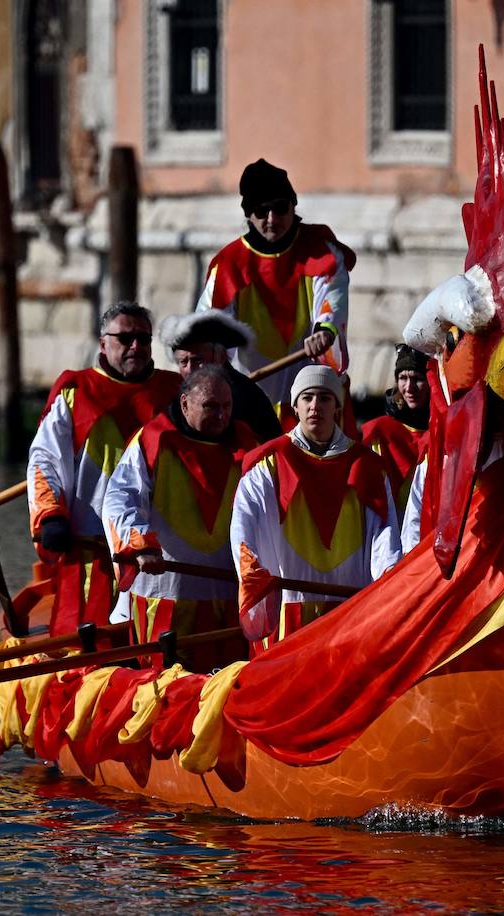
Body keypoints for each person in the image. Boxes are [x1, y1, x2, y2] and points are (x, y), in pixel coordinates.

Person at [27, 302, 181, 635]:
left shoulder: (174, 391)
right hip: (91, 548)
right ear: (103, 343)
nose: (136, 346)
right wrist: (50, 515)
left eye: (143, 338)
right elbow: (45, 461)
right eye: (125, 338)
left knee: (151, 636)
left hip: (155, 552)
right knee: (85, 638)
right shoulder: (75, 390)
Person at [230, 365, 402, 652]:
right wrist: (253, 575)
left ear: (337, 406)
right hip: (288, 610)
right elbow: (242, 529)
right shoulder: (268, 463)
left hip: (350, 606)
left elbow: (384, 534)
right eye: (307, 398)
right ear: (294, 407)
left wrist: (388, 581)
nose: (315, 406)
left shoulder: (366, 466)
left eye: (324, 398)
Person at [102, 365, 256, 671]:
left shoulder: (246, 443)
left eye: (226, 406)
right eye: (210, 406)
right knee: (163, 682)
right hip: (166, 592)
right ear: (185, 403)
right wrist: (141, 545)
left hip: (225, 594)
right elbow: (120, 499)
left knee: (224, 680)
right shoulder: (153, 439)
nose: (221, 415)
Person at [195, 158, 356, 407]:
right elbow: (209, 323)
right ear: (249, 215)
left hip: (309, 392)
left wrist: (324, 331)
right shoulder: (229, 264)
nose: (272, 219)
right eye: (262, 211)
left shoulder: (320, 250)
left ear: (293, 207)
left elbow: (332, 295)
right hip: (251, 393)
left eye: (280, 208)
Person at [158, 310, 283, 442]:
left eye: (198, 360)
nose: (190, 369)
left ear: (221, 357)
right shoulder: (172, 392)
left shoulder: (248, 398)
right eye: (183, 362)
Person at [361, 344, 431, 491]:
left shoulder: (443, 429)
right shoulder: (380, 432)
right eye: (403, 378)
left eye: (417, 378)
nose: (409, 387)